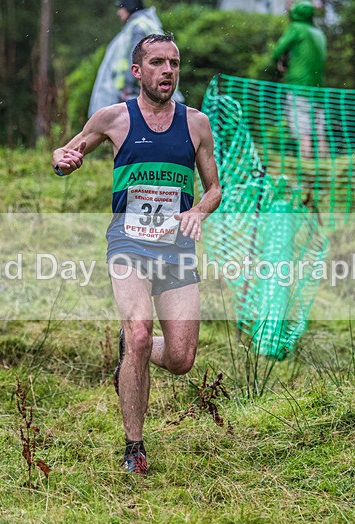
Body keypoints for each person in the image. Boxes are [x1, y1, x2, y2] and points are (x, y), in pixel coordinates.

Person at [52, 34, 222, 474]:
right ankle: (134, 448)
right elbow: (69, 151)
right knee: (141, 328)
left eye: (174, 63)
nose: (168, 71)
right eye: (158, 63)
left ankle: (133, 348)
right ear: (137, 72)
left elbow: (214, 188)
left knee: (183, 359)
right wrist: (63, 160)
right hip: (128, 243)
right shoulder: (114, 118)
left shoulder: (196, 123)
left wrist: (199, 212)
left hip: (176, 249)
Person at [88, 0, 183, 117]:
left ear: (130, 7)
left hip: (135, 95)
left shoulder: (138, 26)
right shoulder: (145, 24)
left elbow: (137, 59)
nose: (118, 12)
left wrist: (128, 89)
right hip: (147, 95)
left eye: (121, 7)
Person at [271, 0, 329, 158]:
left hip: (298, 87)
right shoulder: (318, 32)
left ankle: (306, 173)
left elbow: (277, 52)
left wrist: (281, 60)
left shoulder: (296, 28)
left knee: (303, 132)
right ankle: (327, 171)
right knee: (319, 132)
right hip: (317, 89)